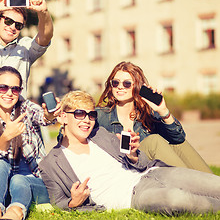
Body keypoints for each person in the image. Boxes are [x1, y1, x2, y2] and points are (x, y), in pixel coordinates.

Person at [39, 90, 220, 214]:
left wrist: (133, 154)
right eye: (79, 114)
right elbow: (58, 201)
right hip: (132, 195)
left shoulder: (99, 134)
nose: (87, 120)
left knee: (214, 184)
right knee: (178, 199)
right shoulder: (51, 163)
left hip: (153, 173)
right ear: (63, 117)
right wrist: (74, 202)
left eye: (91, 115)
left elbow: (141, 163)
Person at [96, 61, 212, 173]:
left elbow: (178, 138)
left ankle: (214, 186)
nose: (120, 87)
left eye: (126, 83)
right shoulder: (100, 115)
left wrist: (163, 111)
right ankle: (193, 184)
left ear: (137, 86)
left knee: (179, 145)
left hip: (149, 166)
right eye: (115, 83)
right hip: (127, 168)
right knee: (154, 140)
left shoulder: (147, 114)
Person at [0, 66, 59, 220]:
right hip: (6, 184)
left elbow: (42, 117)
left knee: (18, 180)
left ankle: (13, 215)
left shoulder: (25, 108)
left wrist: (49, 114)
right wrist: (6, 136)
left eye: (15, 89)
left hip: (36, 181)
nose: (9, 93)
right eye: (3, 88)